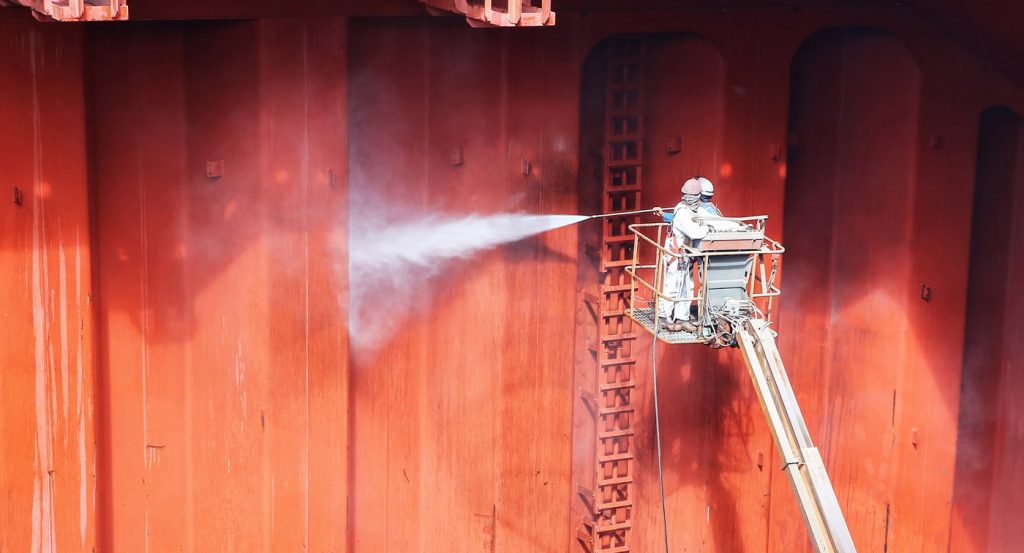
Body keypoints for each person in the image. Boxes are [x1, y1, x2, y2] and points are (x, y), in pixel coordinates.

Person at [653, 178, 708, 333]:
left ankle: (682, 318)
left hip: (686, 255)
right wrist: (708, 228)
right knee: (672, 286)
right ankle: (665, 318)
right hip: (677, 255)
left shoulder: (692, 210)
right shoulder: (683, 212)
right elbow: (694, 232)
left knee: (687, 286)